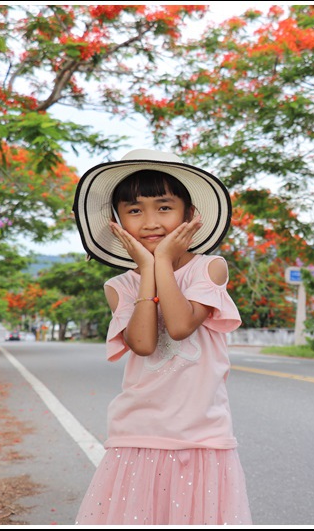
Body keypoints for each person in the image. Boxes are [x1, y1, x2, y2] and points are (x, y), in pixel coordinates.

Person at [72, 149, 251, 525]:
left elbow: (181, 324)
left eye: (164, 207)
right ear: (118, 222)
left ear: (189, 215)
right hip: (136, 435)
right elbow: (143, 343)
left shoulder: (210, 268)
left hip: (202, 437)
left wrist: (162, 262)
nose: (150, 222)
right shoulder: (119, 285)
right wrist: (149, 267)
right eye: (135, 210)